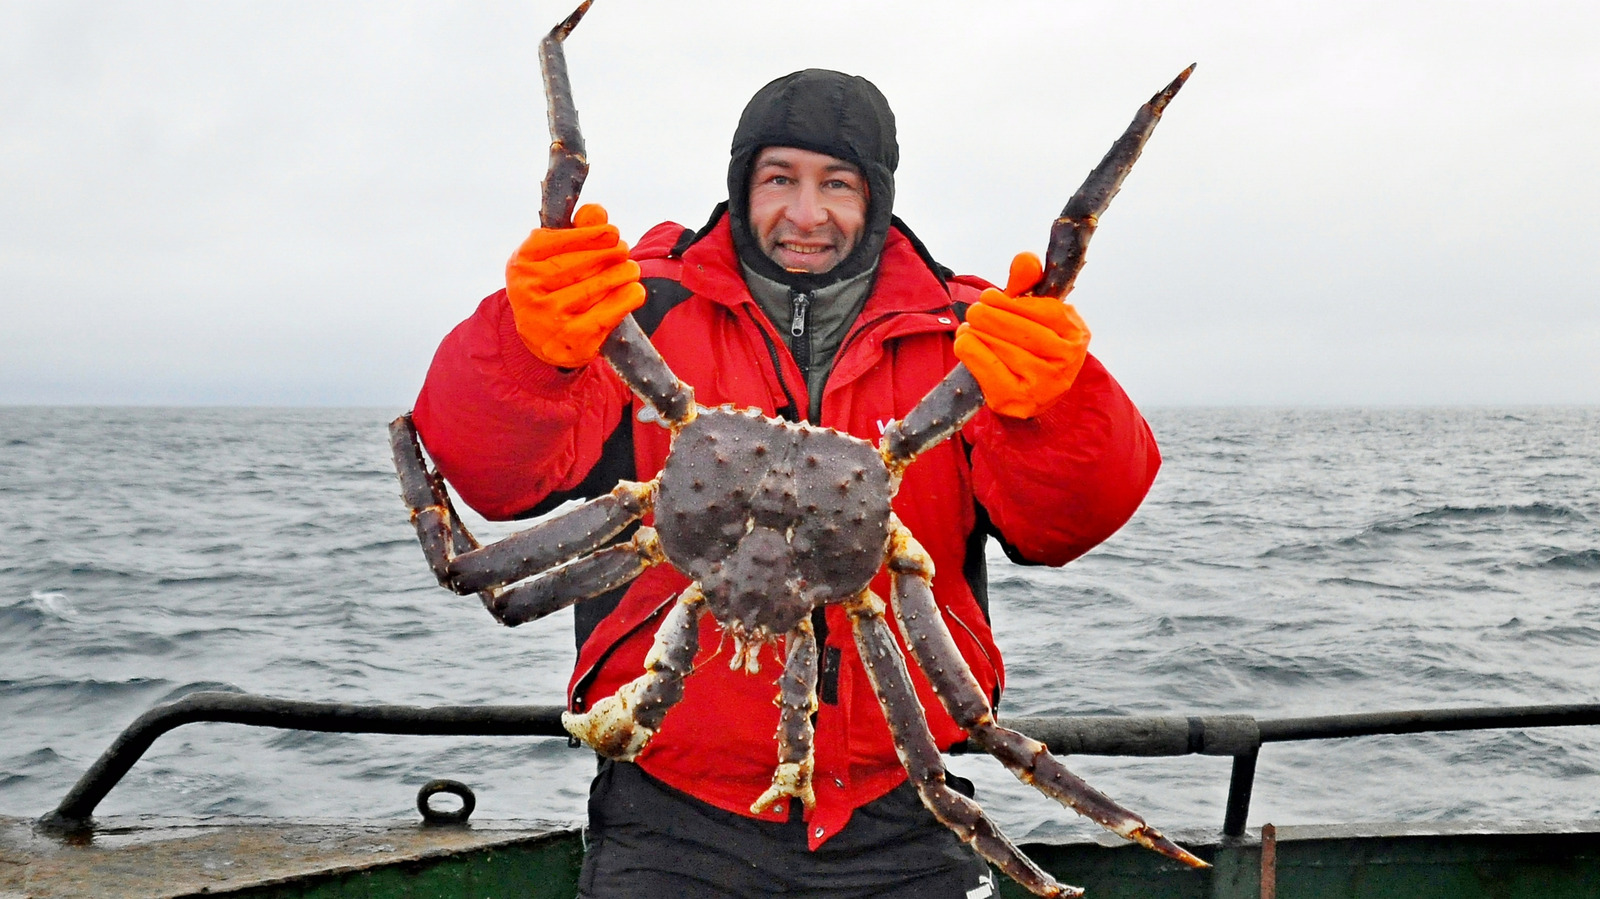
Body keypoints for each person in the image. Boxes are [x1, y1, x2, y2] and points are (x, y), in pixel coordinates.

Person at [412, 69, 1160, 899]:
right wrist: (532, 349)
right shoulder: (635, 306)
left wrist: (1055, 404)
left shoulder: (972, 341)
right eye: (780, 180)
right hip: (668, 813)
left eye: (836, 185)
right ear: (742, 185)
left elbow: (1070, 522)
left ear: (874, 199)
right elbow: (491, 476)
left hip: (899, 806)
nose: (806, 214)